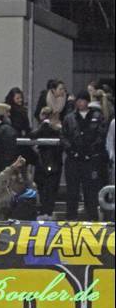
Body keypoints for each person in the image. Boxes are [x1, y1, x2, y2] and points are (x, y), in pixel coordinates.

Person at [62, 90, 106, 221]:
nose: (80, 103)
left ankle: (92, 219)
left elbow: (101, 135)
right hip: (73, 159)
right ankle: (71, 218)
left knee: (90, 191)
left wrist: (90, 151)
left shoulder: (97, 116)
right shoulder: (69, 118)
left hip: (90, 160)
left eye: (83, 100)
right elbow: (63, 137)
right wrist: (72, 151)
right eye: (78, 101)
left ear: (88, 101)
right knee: (72, 191)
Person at [31, 106, 63, 219]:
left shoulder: (46, 127)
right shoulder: (58, 128)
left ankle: (45, 211)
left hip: (46, 162)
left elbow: (32, 135)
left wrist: (44, 124)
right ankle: (48, 211)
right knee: (50, 189)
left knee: (45, 188)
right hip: (54, 162)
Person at [0, 156, 37, 220]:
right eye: (16, 173)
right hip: (5, 223)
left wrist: (27, 176)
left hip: (25, 223)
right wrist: (13, 167)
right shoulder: (4, 192)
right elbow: (0, 179)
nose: (19, 177)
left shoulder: (29, 191)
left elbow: (35, 204)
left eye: (22, 173)